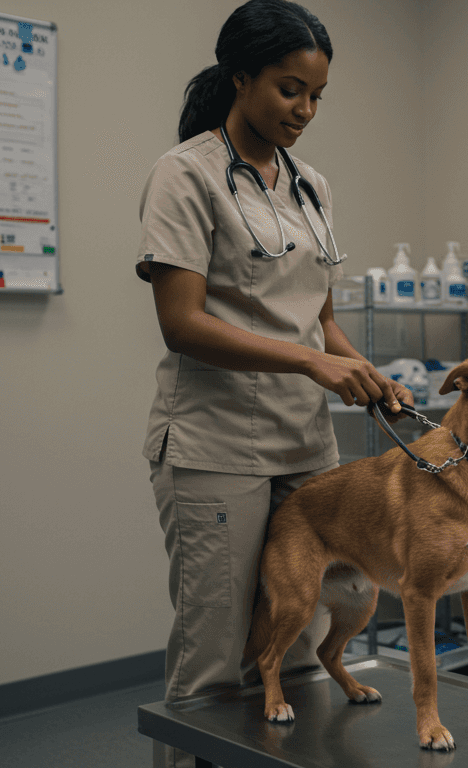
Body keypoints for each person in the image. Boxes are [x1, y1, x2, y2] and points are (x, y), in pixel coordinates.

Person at [134, 2, 409, 765]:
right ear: (240, 77)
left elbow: (319, 323)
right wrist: (312, 363)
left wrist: (359, 368)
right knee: (214, 658)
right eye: (290, 90)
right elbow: (181, 324)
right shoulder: (184, 174)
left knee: (297, 640)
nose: (306, 110)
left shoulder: (310, 185)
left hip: (304, 443)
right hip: (216, 446)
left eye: (317, 96)